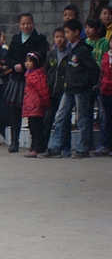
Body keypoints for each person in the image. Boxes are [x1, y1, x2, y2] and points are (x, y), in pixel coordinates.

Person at [39, 19, 100, 159]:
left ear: (77, 33)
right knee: (59, 117)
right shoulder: (71, 49)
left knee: (82, 119)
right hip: (69, 89)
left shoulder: (82, 50)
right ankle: (55, 147)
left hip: (80, 90)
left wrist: (86, 84)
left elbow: (94, 69)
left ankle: (83, 148)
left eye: (67, 32)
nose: (65, 36)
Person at [4, 12, 49, 153]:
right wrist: (14, 65)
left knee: (33, 114)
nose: (26, 26)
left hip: (33, 80)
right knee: (15, 113)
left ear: (33, 23)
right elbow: (8, 56)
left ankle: (34, 143)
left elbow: (41, 57)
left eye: (28, 23)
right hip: (17, 80)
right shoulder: (16, 38)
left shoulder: (40, 39)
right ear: (19, 25)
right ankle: (14, 141)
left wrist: (24, 66)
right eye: (23, 24)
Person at [44, 28, 71, 156]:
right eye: (57, 37)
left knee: (65, 120)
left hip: (64, 92)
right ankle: (44, 146)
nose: (59, 39)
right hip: (51, 92)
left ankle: (66, 147)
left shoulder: (70, 54)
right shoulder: (52, 54)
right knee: (48, 119)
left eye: (62, 36)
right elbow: (46, 71)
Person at [22, 52, 50, 157]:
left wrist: (47, 103)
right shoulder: (29, 74)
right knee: (32, 127)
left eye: (30, 61)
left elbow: (44, 91)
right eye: (26, 61)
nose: (27, 63)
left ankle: (38, 148)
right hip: (31, 106)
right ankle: (34, 146)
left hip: (36, 106)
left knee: (37, 128)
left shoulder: (36, 76)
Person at [94, 36, 112, 156]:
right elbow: (102, 72)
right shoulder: (106, 55)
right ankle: (106, 145)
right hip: (105, 91)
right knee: (107, 120)